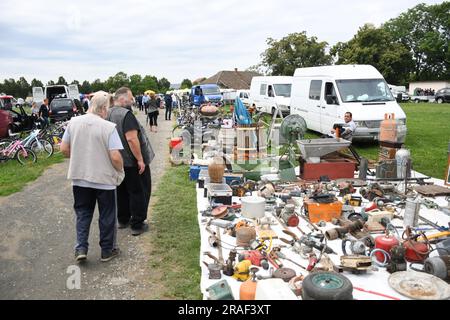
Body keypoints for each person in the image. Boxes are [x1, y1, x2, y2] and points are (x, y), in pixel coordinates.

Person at [60, 91, 125, 262]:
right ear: (103, 108)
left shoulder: (73, 123)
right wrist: (120, 171)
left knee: (83, 213)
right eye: (108, 109)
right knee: (107, 215)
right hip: (104, 180)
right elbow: (116, 157)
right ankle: (107, 250)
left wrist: (81, 155)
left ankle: (81, 248)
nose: (108, 112)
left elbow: (64, 150)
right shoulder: (108, 127)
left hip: (80, 177)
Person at [107, 87, 154, 236]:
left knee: (121, 192)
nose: (132, 100)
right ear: (122, 99)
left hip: (116, 161)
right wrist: (140, 159)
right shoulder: (126, 115)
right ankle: (137, 224)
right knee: (138, 191)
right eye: (130, 98)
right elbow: (132, 139)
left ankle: (123, 219)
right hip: (132, 162)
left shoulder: (107, 113)